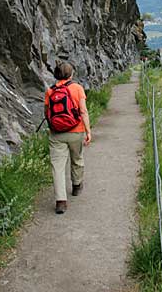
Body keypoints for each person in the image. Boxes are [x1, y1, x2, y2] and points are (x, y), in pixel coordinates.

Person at [44, 62, 91, 214]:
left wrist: (53, 127)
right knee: (77, 158)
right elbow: (83, 111)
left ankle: (61, 202)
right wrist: (88, 131)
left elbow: (47, 113)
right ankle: (76, 186)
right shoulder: (77, 88)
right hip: (76, 131)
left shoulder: (50, 91)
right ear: (71, 75)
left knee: (57, 167)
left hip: (56, 134)